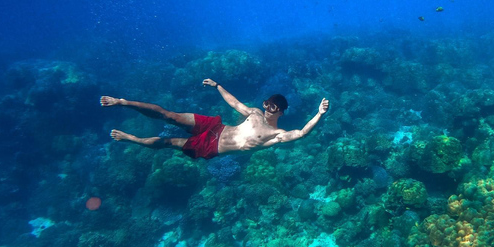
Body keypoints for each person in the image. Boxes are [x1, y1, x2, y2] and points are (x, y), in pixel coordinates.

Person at [100, 78, 329, 160]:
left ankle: (133, 139)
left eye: (273, 106)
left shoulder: (275, 135)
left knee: (168, 143)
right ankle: (123, 102)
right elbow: (234, 103)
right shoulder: (255, 113)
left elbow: (301, 133)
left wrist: (318, 113)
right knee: (170, 115)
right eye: (266, 103)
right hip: (215, 127)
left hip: (212, 146)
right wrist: (218, 85)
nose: (267, 107)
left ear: (281, 111)